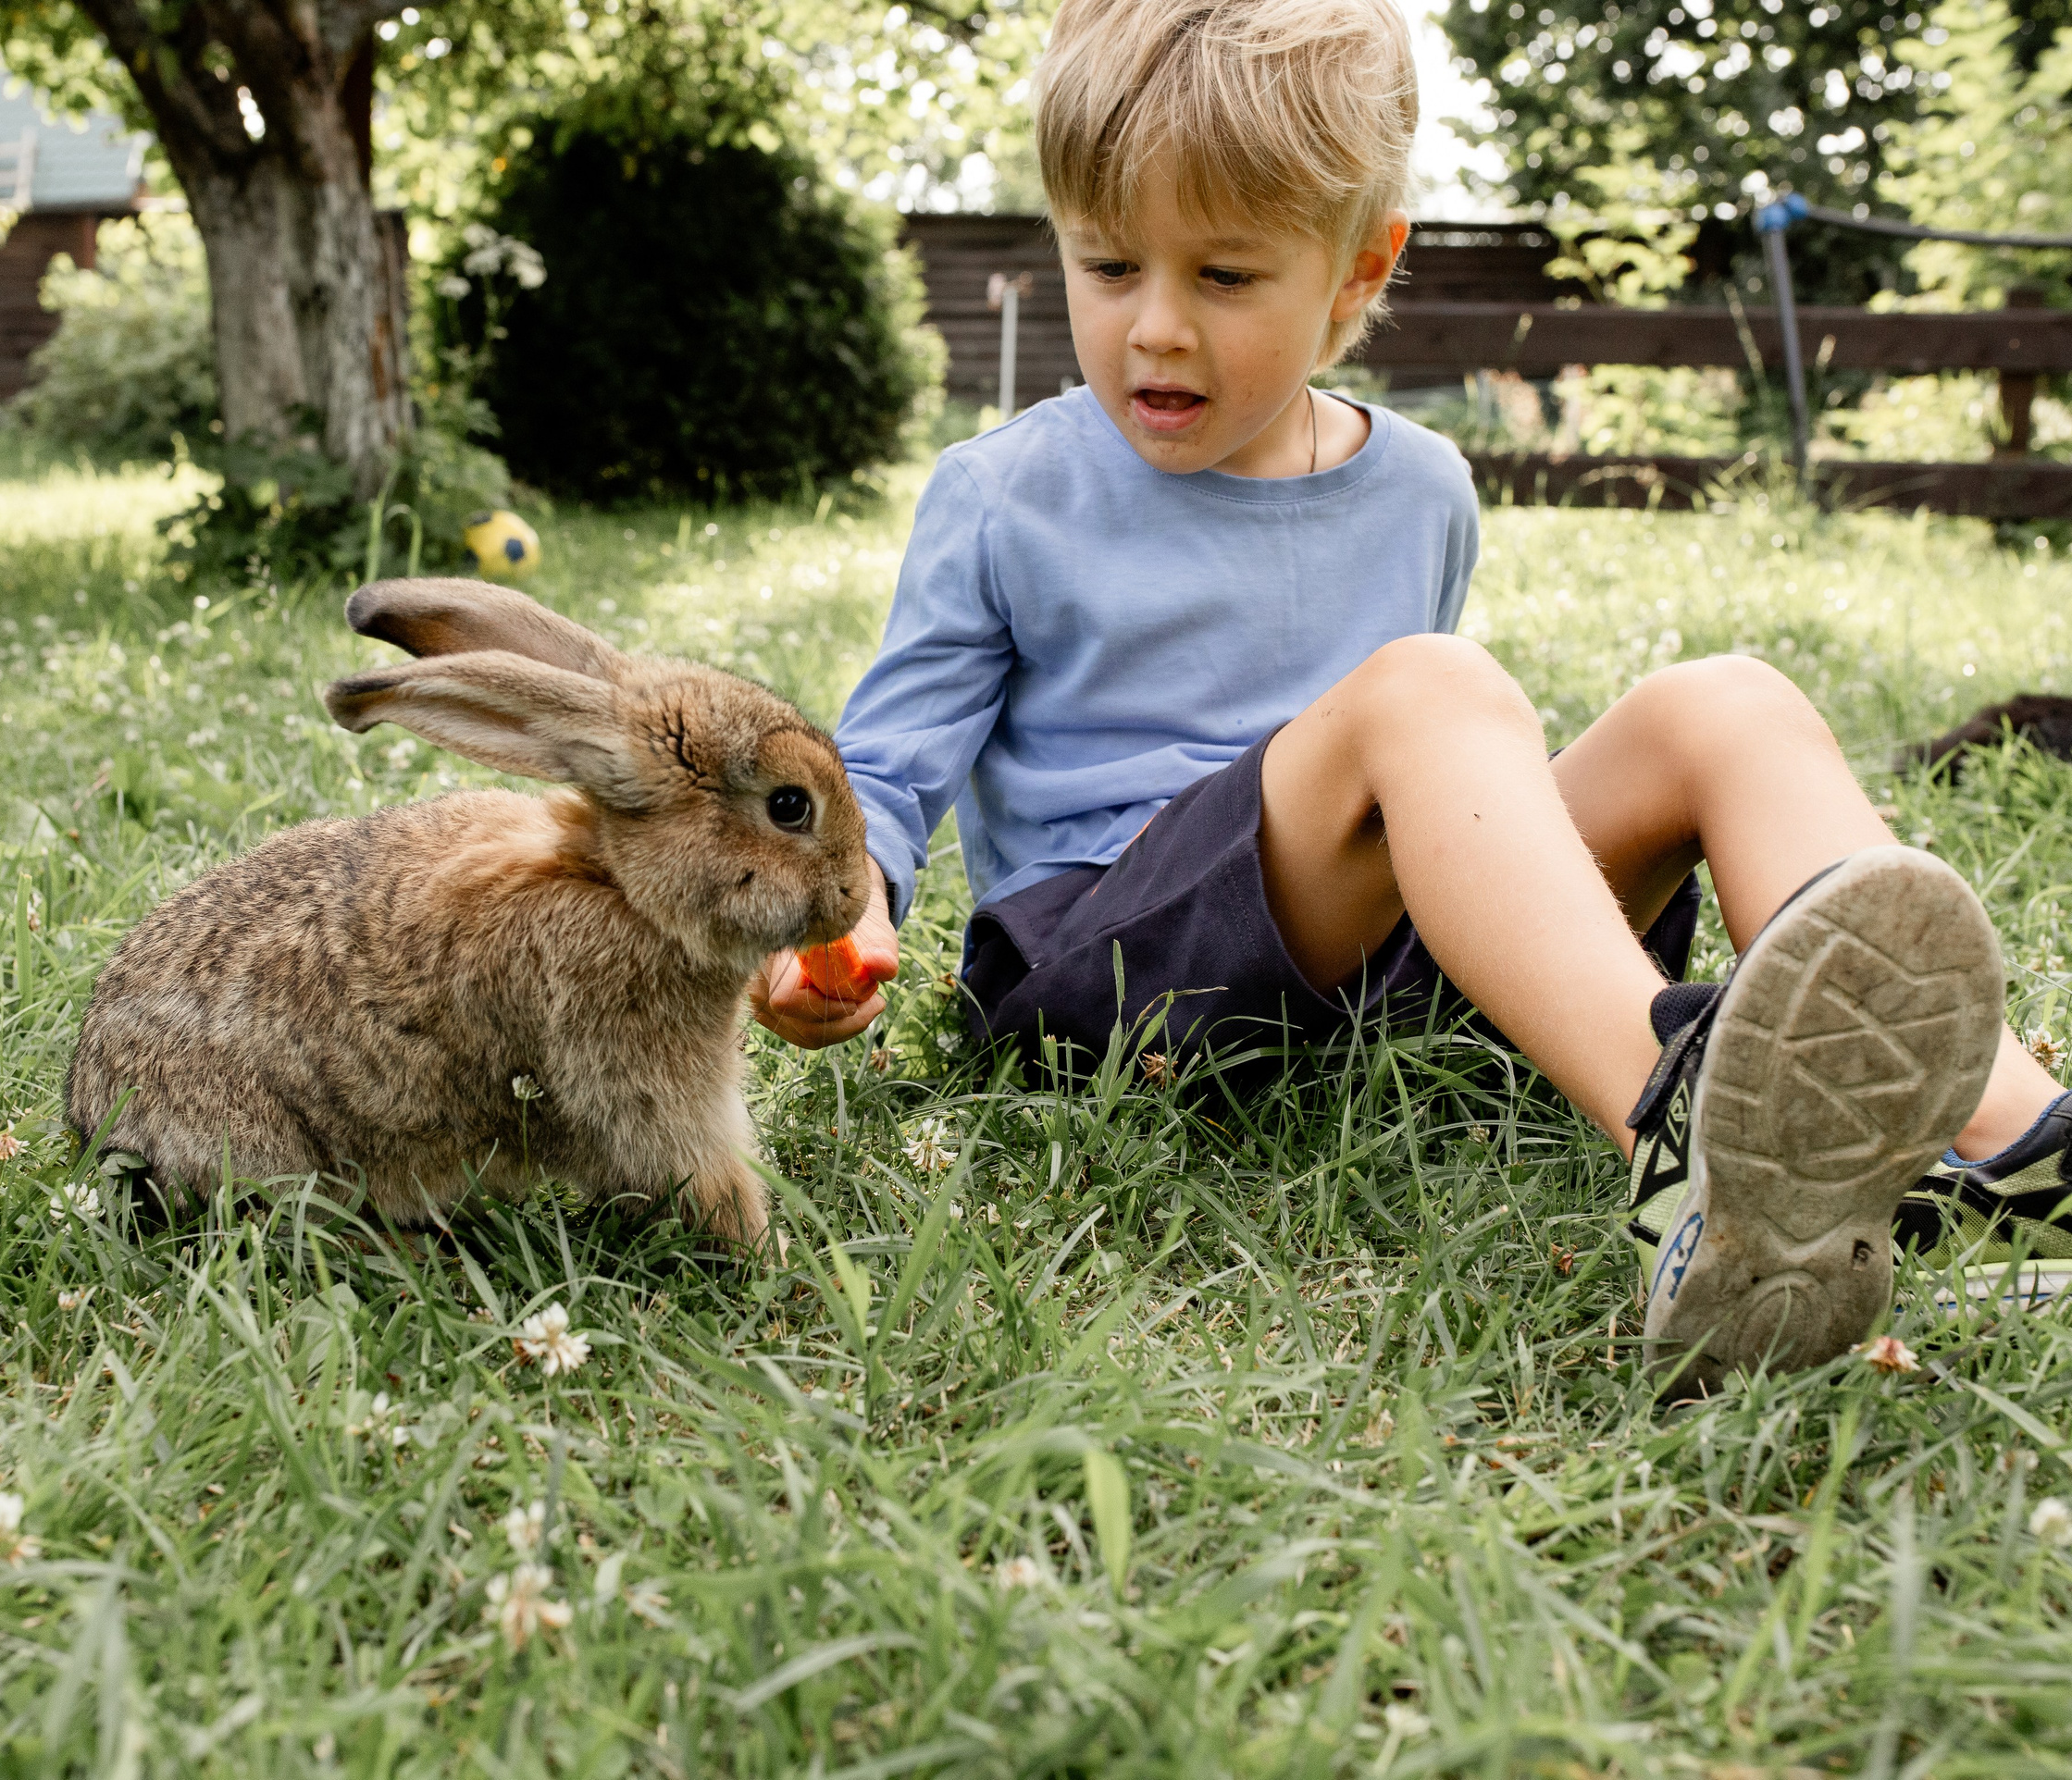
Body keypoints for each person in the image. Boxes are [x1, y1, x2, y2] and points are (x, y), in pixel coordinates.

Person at [748, 0, 2072, 1391]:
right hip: (1111, 989)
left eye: (1226, 276)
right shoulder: (1004, 494)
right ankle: (1692, 1149)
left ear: (1358, 272)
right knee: (1430, 691)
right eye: (1110, 263)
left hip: (1373, 992)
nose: (1156, 330)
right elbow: (879, 779)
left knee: (1721, 703)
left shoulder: (1424, 487)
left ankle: (2014, 1135)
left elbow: (1449, 813)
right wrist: (833, 917)